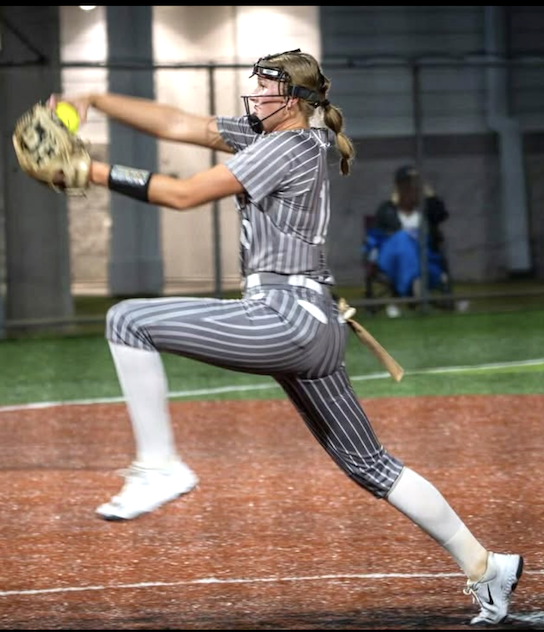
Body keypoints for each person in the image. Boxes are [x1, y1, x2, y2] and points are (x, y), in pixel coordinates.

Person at [49, 49, 522, 625]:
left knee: (127, 320)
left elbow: (183, 194)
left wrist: (91, 172)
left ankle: (159, 467)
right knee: (371, 465)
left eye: (263, 86)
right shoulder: (279, 135)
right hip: (312, 322)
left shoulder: (287, 145)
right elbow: (180, 123)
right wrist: (95, 99)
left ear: (294, 100)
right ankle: (487, 566)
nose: (252, 93)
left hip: (286, 317)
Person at [364, 165, 451, 317]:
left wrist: (429, 193)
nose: (410, 189)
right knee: (402, 237)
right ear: (398, 187)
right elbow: (375, 236)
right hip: (391, 258)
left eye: (414, 184)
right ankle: (414, 288)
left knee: (413, 247)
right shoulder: (387, 208)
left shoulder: (426, 210)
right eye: (405, 185)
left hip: (424, 258)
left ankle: (405, 291)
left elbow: (442, 214)